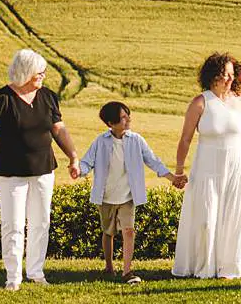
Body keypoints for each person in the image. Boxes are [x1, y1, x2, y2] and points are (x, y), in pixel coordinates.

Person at [0, 49, 78, 289]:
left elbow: (59, 129)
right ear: (26, 72)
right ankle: (13, 277)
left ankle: (36, 273)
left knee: (41, 221)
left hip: (43, 168)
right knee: (14, 224)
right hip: (10, 171)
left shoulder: (48, 97)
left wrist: (73, 157)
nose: (43, 76)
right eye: (39, 72)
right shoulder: (1, 98)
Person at [172, 52, 241, 279]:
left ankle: (229, 268)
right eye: (225, 74)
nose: (229, 79)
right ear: (213, 75)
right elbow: (185, 139)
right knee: (206, 217)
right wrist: (179, 170)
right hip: (207, 164)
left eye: (232, 74)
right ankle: (203, 266)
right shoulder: (200, 102)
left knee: (233, 214)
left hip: (236, 164)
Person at [75, 100, 187, 282]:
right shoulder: (100, 141)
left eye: (128, 116)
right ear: (111, 123)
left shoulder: (136, 140)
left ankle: (127, 272)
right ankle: (109, 267)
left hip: (128, 196)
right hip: (106, 196)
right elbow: (87, 162)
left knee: (128, 231)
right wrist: (78, 171)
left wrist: (172, 177)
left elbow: (153, 161)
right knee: (108, 232)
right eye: (123, 118)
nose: (128, 120)